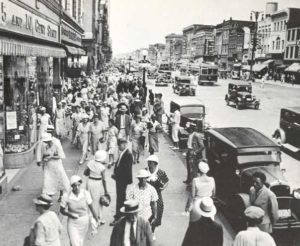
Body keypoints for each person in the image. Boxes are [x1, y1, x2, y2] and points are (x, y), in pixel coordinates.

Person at [60, 175, 99, 246]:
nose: (77, 187)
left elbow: (92, 208)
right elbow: (62, 210)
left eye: (78, 185)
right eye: (74, 186)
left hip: (84, 222)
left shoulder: (85, 193)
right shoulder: (66, 196)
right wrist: (70, 214)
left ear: (80, 184)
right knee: (75, 243)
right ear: (71, 186)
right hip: (72, 223)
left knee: (80, 242)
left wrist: (97, 220)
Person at [36, 133, 70, 201]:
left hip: (57, 164)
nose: (45, 142)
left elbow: (61, 156)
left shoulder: (56, 144)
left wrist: (51, 157)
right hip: (48, 165)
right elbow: (41, 152)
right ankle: (48, 195)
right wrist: (41, 160)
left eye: (46, 141)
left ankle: (61, 194)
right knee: (48, 180)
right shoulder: (44, 144)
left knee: (60, 179)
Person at [111, 138, 133, 225]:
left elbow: (125, 169)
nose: (118, 147)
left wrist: (117, 175)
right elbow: (119, 164)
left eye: (119, 145)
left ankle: (118, 217)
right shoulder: (124, 153)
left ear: (124, 144)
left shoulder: (128, 154)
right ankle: (122, 215)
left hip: (122, 180)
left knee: (120, 198)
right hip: (120, 179)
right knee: (121, 198)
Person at [84, 150, 109, 225]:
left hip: (90, 182)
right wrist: (106, 191)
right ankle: (98, 218)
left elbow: (85, 173)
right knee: (98, 201)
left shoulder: (90, 162)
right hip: (98, 184)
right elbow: (104, 180)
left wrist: (92, 170)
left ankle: (91, 217)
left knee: (90, 200)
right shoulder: (102, 167)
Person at [147, 155, 169, 235]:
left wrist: (163, 188)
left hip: (157, 195)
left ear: (155, 163)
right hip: (147, 195)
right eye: (148, 162)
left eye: (150, 162)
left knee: (158, 211)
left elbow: (166, 181)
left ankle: (153, 231)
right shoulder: (145, 171)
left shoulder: (160, 172)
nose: (148, 163)